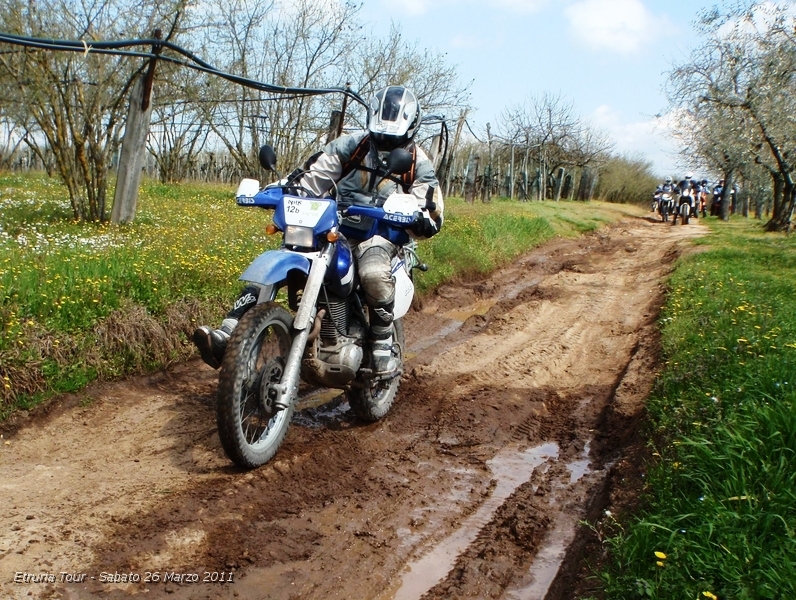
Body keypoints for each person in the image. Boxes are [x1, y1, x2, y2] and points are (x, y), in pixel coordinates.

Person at [193, 85, 444, 375]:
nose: (384, 143)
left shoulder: (417, 163)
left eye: (392, 138)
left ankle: (382, 340)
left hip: (380, 231)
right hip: (335, 221)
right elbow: (313, 175)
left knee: (373, 272)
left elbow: (431, 208)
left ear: (410, 130)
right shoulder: (352, 145)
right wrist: (280, 190)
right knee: (286, 252)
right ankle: (230, 333)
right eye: (380, 136)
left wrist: (416, 215)